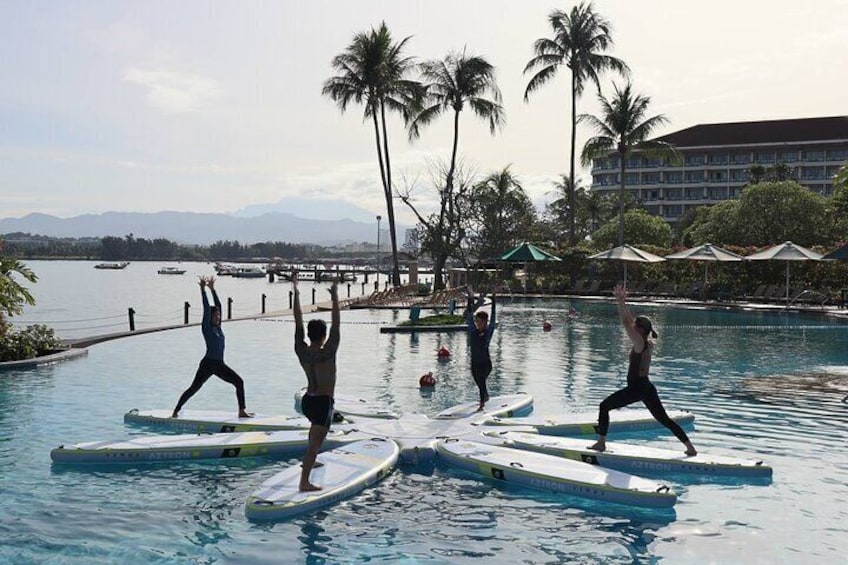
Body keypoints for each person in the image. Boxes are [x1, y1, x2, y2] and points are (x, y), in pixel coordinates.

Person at [589, 284, 697, 456]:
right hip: (647, 387)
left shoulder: (639, 344)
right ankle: (690, 447)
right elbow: (631, 322)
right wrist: (624, 302)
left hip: (637, 388)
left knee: (604, 406)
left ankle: (601, 443)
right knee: (664, 419)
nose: (632, 328)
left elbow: (626, 323)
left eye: (636, 327)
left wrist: (619, 301)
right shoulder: (648, 342)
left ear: (639, 330)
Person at [172, 276, 252, 419]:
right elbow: (206, 308)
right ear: (210, 317)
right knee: (194, 388)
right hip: (208, 364)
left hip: (219, 364)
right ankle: (176, 410)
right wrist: (203, 290)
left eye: (219, 315)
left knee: (239, 382)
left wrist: (213, 289)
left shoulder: (218, 328)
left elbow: (219, 306)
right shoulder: (207, 328)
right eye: (216, 315)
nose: (219, 317)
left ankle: (241, 410)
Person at [293, 275, 340, 492]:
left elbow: (298, 323)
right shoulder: (328, 352)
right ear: (324, 336)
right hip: (322, 402)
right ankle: (304, 482)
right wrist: (335, 298)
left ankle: (309, 460)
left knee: (315, 434)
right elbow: (337, 325)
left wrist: (296, 293)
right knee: (315, 444)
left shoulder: (301, 351)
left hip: (307, 402)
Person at [466, 286, 496, 412]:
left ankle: (482, 404)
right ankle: (486, 396)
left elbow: (493, 318)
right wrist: (470, 299)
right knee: (478, 381)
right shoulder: (473, 330)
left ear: (485, 322)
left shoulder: (488, 331)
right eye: (477, 321)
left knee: (482, 381)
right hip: (474, 362)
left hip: (485, 363)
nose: (478, 323)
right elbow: (469, 315)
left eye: (480, 321)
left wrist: (494, 301)